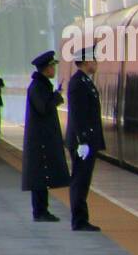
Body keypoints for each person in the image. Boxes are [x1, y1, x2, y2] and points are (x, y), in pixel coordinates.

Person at [21, 51, 71, 222]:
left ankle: (43, 210)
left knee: (43, 176)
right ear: (46, 68)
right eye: (52, 66)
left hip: (42, 140)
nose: (54, 70)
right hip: (39, 141)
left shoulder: (41, 86)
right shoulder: (37, 87)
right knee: (39, 177)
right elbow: (43, 108)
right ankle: (40, 211)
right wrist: (56, 97)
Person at [64, 50, 106, 232]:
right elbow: (77, 115)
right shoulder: (78, 84)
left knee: (83, 180)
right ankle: (79, 220)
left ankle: (81, 218)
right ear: (85, 61)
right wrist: (82, 140)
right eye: (94, 60)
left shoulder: (84, 82)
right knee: (80, 180)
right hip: (84, 142)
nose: (96, 63)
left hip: (87, 141)